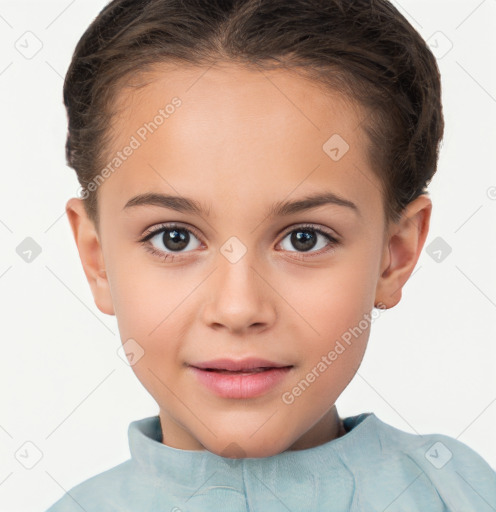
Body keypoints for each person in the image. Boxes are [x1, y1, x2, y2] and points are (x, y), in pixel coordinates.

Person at [46, 0, 496, 510]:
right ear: (97, 258)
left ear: (394, 255)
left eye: (305, 238)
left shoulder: (461, 494)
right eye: (173, 238)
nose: (238, 309)